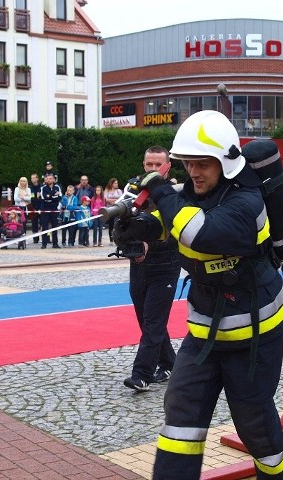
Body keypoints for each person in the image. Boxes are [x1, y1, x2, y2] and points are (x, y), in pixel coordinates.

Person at [114, 110, 283, 479]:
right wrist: (136, 226)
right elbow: (171, 219)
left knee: (254, 423)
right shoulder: (193, 192)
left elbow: (201, 232)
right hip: (205, 331)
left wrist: (160, 191)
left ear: (225, 162)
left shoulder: (247, 202)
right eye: (188, 164)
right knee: (181, 411)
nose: (193, 172)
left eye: (202, 164)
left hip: (254, 334)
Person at [122, 145, 181, 393]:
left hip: (167, 263)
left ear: (167, 166)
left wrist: (151, 241)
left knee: (154, 321)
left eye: (158, 165)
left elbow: (179, 227)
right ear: (143, 164)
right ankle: (170, 364)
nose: (153, 169)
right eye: (149, 165)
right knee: (146, 320)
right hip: (139, 262)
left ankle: (142, 375)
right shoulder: (131, 189)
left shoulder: (176, 192)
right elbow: (122, 223)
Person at [40, 172, 62, 248]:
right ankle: (44, 244)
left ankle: (55, 243)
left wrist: (50, 196)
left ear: (53, 179)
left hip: (54, 209)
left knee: (55, 226)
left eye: (50, 178)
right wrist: (53, 195)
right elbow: (44, 197)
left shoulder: (57, 187)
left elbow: (59, 197)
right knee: (45, 227)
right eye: (47, 179)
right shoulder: (43, 188)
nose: (49, 180)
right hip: (45, 209)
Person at [104, 178, 123, 244]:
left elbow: (121, 198)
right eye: (115, 183)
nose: (116, 184)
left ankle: (117, 238)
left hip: (117, 209)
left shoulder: (119, 191)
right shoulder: (107, 191)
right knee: (111, 225)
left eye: (117, 183)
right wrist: (114, 200)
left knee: (117, 224)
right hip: (109, 209)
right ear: (111, 184)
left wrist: (112, 200)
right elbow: (106, 199)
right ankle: (111, 239)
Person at [29, 173, 42, 243]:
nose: (33, 179)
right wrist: (32, 209)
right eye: (32, 178)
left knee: (44, 224)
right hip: (33, 209)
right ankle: (35, 239)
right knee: (34, 225)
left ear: (37, 178)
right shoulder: (30, 188)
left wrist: (40, 208)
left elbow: (43, 199)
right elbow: (29, 200)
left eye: (34, 178)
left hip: (41, 209)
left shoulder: (42, 187)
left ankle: (47, 238)